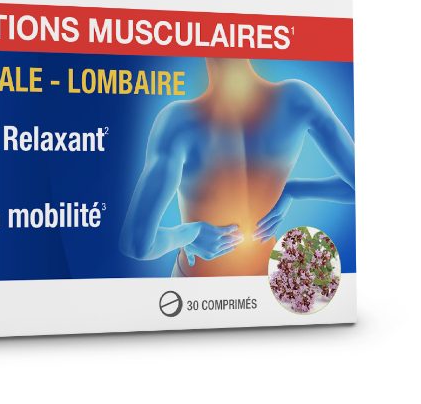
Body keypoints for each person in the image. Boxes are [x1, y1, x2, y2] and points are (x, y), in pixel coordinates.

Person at [119, 58, 355, 276]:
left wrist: (187, 234)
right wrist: (295, 190)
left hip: (197, 286)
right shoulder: (298, 99)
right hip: (266, 282)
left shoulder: (179, 122)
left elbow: (138, 245)